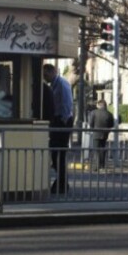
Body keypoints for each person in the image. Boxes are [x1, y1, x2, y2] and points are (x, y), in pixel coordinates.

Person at [43, 63, 74, 194]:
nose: (45, 78)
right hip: (60, 120)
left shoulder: (60, 84)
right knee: (57, 153)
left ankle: (62, 182)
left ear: (52, 72)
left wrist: (63, 121)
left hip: (62, 121)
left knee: (58, 153)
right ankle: (62, 182)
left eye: (46, 75)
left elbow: (66, 104)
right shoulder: (57, 84)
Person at [88, 99, 115, 170]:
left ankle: (97, 165)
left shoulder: (94, 112)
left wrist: (92, 128)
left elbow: (91, 123)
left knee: (96, 149)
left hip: (96, 133)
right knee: (102, 149)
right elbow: (111, 125)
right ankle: (102, 165)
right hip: (105, 134)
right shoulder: (109, 114)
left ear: (99, 105)